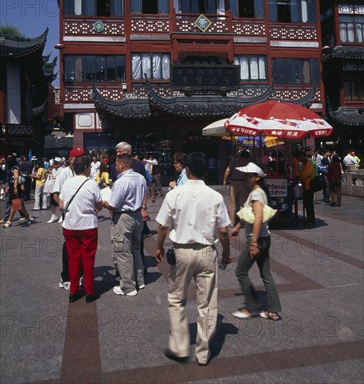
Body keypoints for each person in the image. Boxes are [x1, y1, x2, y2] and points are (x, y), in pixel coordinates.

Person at [155, 152, 231, 366]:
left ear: (187, 170)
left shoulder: (175, 194)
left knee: (177, 299)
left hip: (181, 252)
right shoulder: (215, 196)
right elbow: (224, 230)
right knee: (207, 303)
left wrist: (158, 247)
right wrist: (226, 252)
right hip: (207, 251)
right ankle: (203, 352)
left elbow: (162, 226)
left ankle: (179, 346)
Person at [231, 162, 282, 321]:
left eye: (249, 175)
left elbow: (258, 217)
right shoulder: (257, 192)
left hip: (257, 239)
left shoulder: (256, 194)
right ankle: (273, 310)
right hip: (264, 237)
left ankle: (251, 307)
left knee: (240, 271)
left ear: (257, 177)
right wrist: (239, 226)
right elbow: (250, 213)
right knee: (265, 273)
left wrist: (253, 242)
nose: (246, 177)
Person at [59, 154, 103, 303]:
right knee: (88, 259)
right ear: (85, 168)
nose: (90, 169)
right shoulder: (92, 184)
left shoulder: (67, 183)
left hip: (70, 226)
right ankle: (89, 291)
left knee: (73, 259)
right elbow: (99, 206)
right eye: (89, 166)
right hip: (88, 226)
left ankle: (73, 290)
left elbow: (61, 205)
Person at [103, 153, 148, 296]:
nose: (115, 167)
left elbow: (113, 205)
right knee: (135, 249)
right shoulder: (140, 177)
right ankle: (139, 280)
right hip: (137, 215)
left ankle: (128, 286)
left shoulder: (121, 181)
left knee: (122, 252)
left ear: (121, 165)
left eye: (116, 164)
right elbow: (144, 193)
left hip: (124, 217)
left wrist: (104, 203)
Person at [54, 147, 87, 290]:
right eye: (79, 157)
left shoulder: (85, 172)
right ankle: (66, 276)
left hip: (82, 217)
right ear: (71, 159)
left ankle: (79, 274)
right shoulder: (64, 173)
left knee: (81, 247)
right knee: (68, 247)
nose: (82, 160)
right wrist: (63, 206)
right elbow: (56, 194)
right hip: (69, 215)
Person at [2, 155, 33, 228]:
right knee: (20, 205)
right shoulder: (12, 168)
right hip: (13, 187)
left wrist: (15, 187)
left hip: (16, 187)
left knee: (15, 204)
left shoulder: (15, 168)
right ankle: (28, 217)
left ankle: (9, 221)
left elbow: (16, 178)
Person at [223, 149, 251, 227]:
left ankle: (232, 222)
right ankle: (243, 222)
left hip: (234, 183)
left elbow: (228, 171)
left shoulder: (234, 161)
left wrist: (225, 180)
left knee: (233, 203)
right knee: (244, 203)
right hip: (244, 183)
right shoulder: (248, 162)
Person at [296, 150, 316, 225]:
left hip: (310, 185)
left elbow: (307, 173)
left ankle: (311, 219)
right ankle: (309, 218)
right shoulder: (304, 164)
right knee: (306, 202)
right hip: (305, 185)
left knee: (309, 203)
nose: (300, 160)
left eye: (300, 158)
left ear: (303, 156)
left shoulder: (309, 162)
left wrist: (300, 177)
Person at [47, 157, 63, 223]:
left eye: (56, 162)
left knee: (59, 201)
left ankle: (63, 214)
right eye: (54, 162)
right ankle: (53, 215)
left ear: (59, 163)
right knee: (52, 202)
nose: (54, 164)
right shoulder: (52, 169)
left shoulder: (62, 170)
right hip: (52, 187)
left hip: (59, 187)